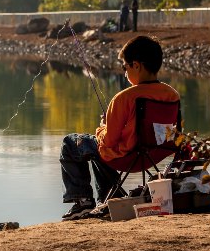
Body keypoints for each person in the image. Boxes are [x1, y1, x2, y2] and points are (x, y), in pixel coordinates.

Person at [59, 35, 180, 220]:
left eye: (125, 67)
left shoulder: (124, 97)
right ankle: (109, 197)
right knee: (101, 151)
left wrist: (102, 126)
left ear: (136, 65)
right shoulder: (172, 95)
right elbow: (174, 133)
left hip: (126, 157)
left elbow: (108, 140)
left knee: (70, 143)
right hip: (155, 155)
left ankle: (82, 201)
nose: (124, 72)